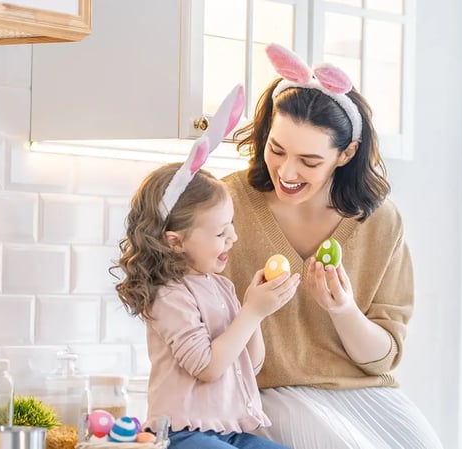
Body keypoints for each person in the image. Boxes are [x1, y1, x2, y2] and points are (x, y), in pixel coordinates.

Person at [221, 43, 444, 449]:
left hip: (367, 397)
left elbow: (383, 356)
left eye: (309, 161)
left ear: (346, 154)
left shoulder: (379, 221)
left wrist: (342, 308)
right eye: (276, 149)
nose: (287, 171)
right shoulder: (225, 205)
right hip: (266, 394)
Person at [113, 86, 300, 449]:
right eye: (219, 231)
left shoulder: (220, 286)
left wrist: (256, 312)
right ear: (175, 240)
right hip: (182, 433)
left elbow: (252, 362)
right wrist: (250, 312)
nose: (232, 237)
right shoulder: (169, 295)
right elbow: (208, 367)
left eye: (231, 225)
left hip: (229, 430)